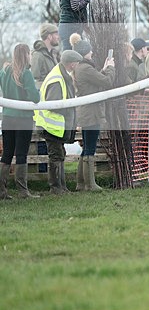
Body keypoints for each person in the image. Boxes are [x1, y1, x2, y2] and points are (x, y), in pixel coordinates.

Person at [70, 33, 115, 191]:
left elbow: (95, 82)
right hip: (91, 112)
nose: (92, 53)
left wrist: (102, 69)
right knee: (90, 147)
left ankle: (81, 183)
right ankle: (90, 184)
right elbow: (107, 82)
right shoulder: (86, 68)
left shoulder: (81, 68)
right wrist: (110, 68)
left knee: (86, 147)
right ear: (84, 53)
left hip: (86, 112)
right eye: (89, 51)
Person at [33, 50, 82, 194]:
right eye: (77, 63)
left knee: (59, 154)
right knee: (56, 156)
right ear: (72, 64)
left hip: (55, 126)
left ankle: (61, 187)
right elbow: (54, 104)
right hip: (51, 126)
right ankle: (56, 188)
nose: (78, 65)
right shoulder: (57, 78)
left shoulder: (60, 74)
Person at [0, 44, 41, 198]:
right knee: (21, 154)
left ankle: (1, 191)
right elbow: (35, 98)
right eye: (29, 53)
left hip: (8, 118)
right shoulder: (26, 73)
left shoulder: (4, 71)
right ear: (26, 55)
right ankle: (23, 191)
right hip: (23, 118)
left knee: (7, 154)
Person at [31, 24, 61, 89]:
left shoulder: (55, 55)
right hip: (46, 96)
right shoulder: (37, 55)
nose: (58, 37)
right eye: (56, 34)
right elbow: (34, 81)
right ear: (49, 36)